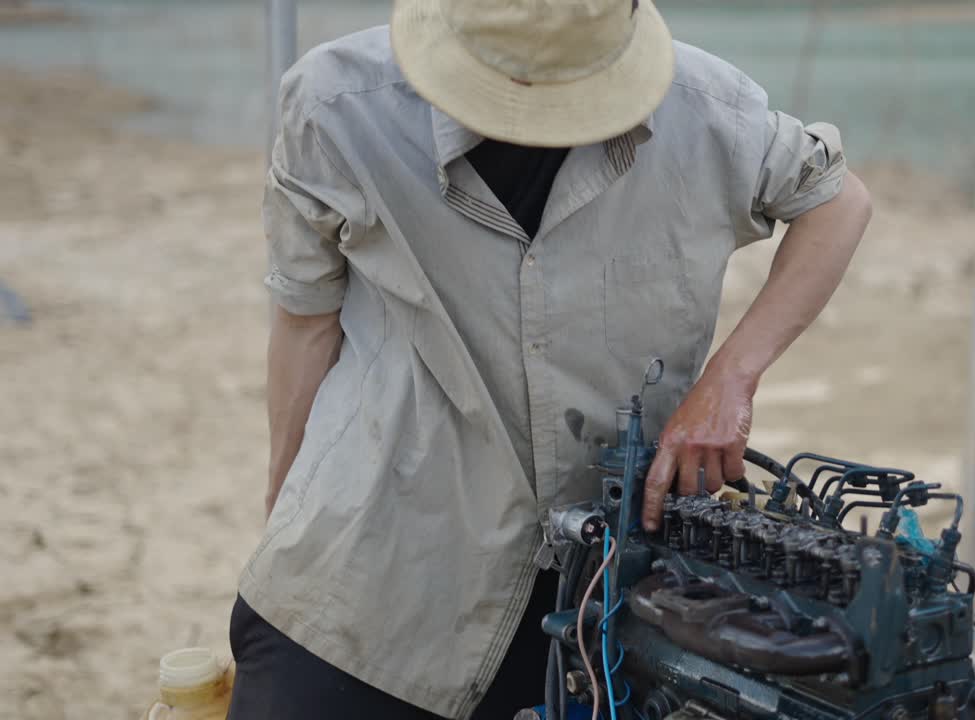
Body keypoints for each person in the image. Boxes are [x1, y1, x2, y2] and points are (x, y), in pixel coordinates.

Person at [226, 0, 873, 717]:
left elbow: (837, 203)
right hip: (377, 571)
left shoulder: (708, 108)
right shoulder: (336, 104)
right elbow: (305, 325)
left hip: (607, 586)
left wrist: (731, 378)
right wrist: (284, 517)